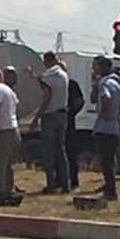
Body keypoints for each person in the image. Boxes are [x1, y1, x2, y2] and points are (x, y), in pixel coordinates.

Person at [31, 51, 70, 194]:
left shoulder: (49, 75)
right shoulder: (63, 75)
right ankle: (65, 184)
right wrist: (34, 76)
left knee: (49, 152)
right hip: (63, 114)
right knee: (61, 150)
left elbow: (46, 97)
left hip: (50, 115)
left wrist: (36, 118)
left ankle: (51, 184)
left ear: (47, 61)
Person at [91, 56, 120, 202]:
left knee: (106, 161)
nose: (94, 68)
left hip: (104, 127)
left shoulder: (104, 83)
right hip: (115, 127)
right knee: (110, 160)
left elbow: (105, 97)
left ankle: (110, 191)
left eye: (96, 66)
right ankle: (109, 187)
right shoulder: (116, 82)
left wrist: (105, 112)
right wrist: (116, 113)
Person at [0, 68, 21, 202]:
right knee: (8, 164)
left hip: (4, 130)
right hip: (13, 129)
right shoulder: (10, 91)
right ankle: (8, 189)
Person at [65, 76, 85, 191]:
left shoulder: (72, 84)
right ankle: (61, 180)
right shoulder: (54, 84)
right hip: (59, 121)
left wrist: (71, 113)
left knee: (70, 152)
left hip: (69, 123)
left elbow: (80, 101)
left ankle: (73, 181)